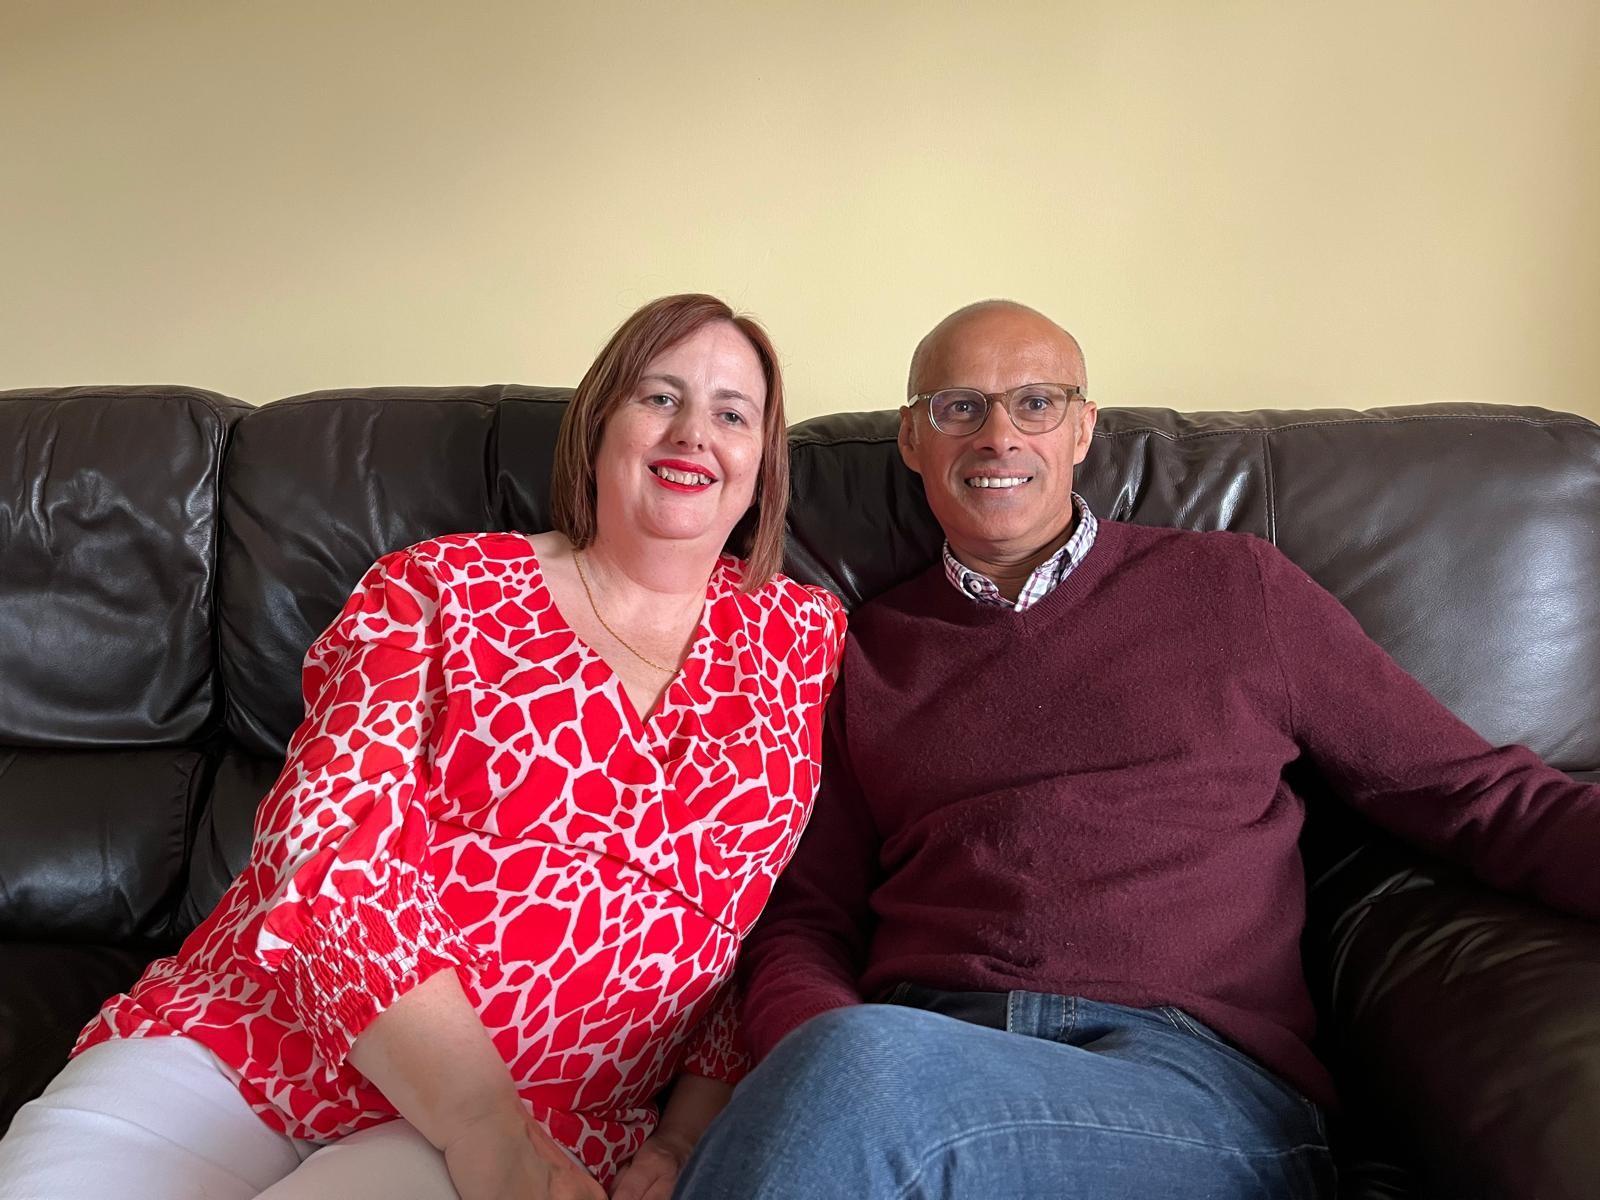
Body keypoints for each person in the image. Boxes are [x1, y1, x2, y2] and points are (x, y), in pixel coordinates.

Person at [671, 300, 1600, 1200]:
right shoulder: (863, 651)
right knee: (856, 1081)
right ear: (913, 440)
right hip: (929, 1050)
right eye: (960, 408)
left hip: (1193, 1084)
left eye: (1036, 403)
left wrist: (844, 1082)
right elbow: (807, 923)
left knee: (858, 1085)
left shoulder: (1236, 590)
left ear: (1083, 431)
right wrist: (820, 1053)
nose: (999, 435)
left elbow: (1477, 795)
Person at [0, 294, 846, 1200]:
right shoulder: (443, 586)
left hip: (544, 1118)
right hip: (264, 1034)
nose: (693, 435)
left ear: (763, 463)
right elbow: (324, 841)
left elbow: (749, 929)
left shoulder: (802, 638)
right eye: (658, 398)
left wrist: (681, 1142)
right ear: (599, 426)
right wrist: (479, 1119)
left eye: (731, 414)